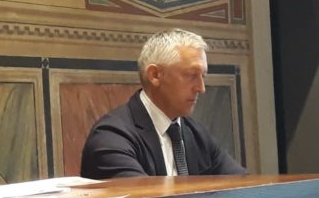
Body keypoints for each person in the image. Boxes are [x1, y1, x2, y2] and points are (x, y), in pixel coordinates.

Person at [80, 29, 247, 179]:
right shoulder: (112, 136)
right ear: (155, 75)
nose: (201, 88)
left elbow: (244, 186)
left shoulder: (196, 134)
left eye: (203, 76)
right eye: (191, 75)